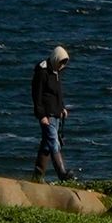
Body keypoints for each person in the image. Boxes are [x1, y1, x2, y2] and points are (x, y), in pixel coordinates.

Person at [30, 44, 79, 181]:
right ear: (56, 59)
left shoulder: (56, 72)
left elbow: (58, 94)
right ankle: (62, 173)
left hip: (56, 114)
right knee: (53, 142)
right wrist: (41, 115)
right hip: (47, 115)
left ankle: (37, 176)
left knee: (46, 144)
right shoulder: (42, 72)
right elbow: (37, 95)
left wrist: (62, 108)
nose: (62, 66)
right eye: (61, 63)